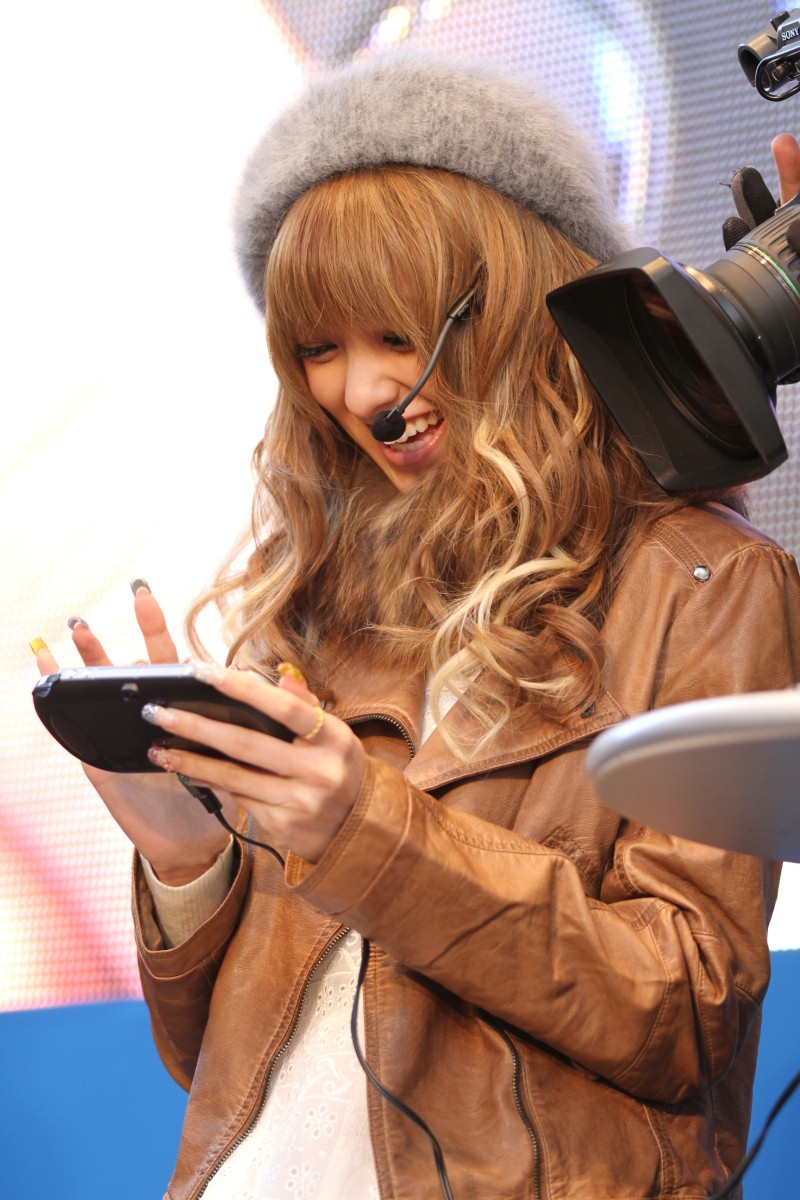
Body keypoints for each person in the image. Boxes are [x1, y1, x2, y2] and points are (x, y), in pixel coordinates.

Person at [34, 55, 800, 1200]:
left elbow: (684, 1014)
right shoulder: (319, 605)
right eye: (317, 351)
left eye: (394, 335)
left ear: (510, 303)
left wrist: (366, 831)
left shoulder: (701, 581)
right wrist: (184, 863)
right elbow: (219, 1069)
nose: (357, 392)